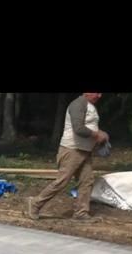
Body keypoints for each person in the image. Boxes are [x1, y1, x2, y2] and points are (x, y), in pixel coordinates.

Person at [28, 93, 108, 221]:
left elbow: (89, 126)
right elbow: (79, 129)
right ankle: (35, 203)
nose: (99, 95)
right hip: (72, 150)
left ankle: (81, 213)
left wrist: (100, 135)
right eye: (96, 92)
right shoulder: (78, 104)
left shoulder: (90, 106)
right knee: (62, 181)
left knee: (87, 181)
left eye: (100, 93)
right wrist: (97, 135)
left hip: (84, 151)